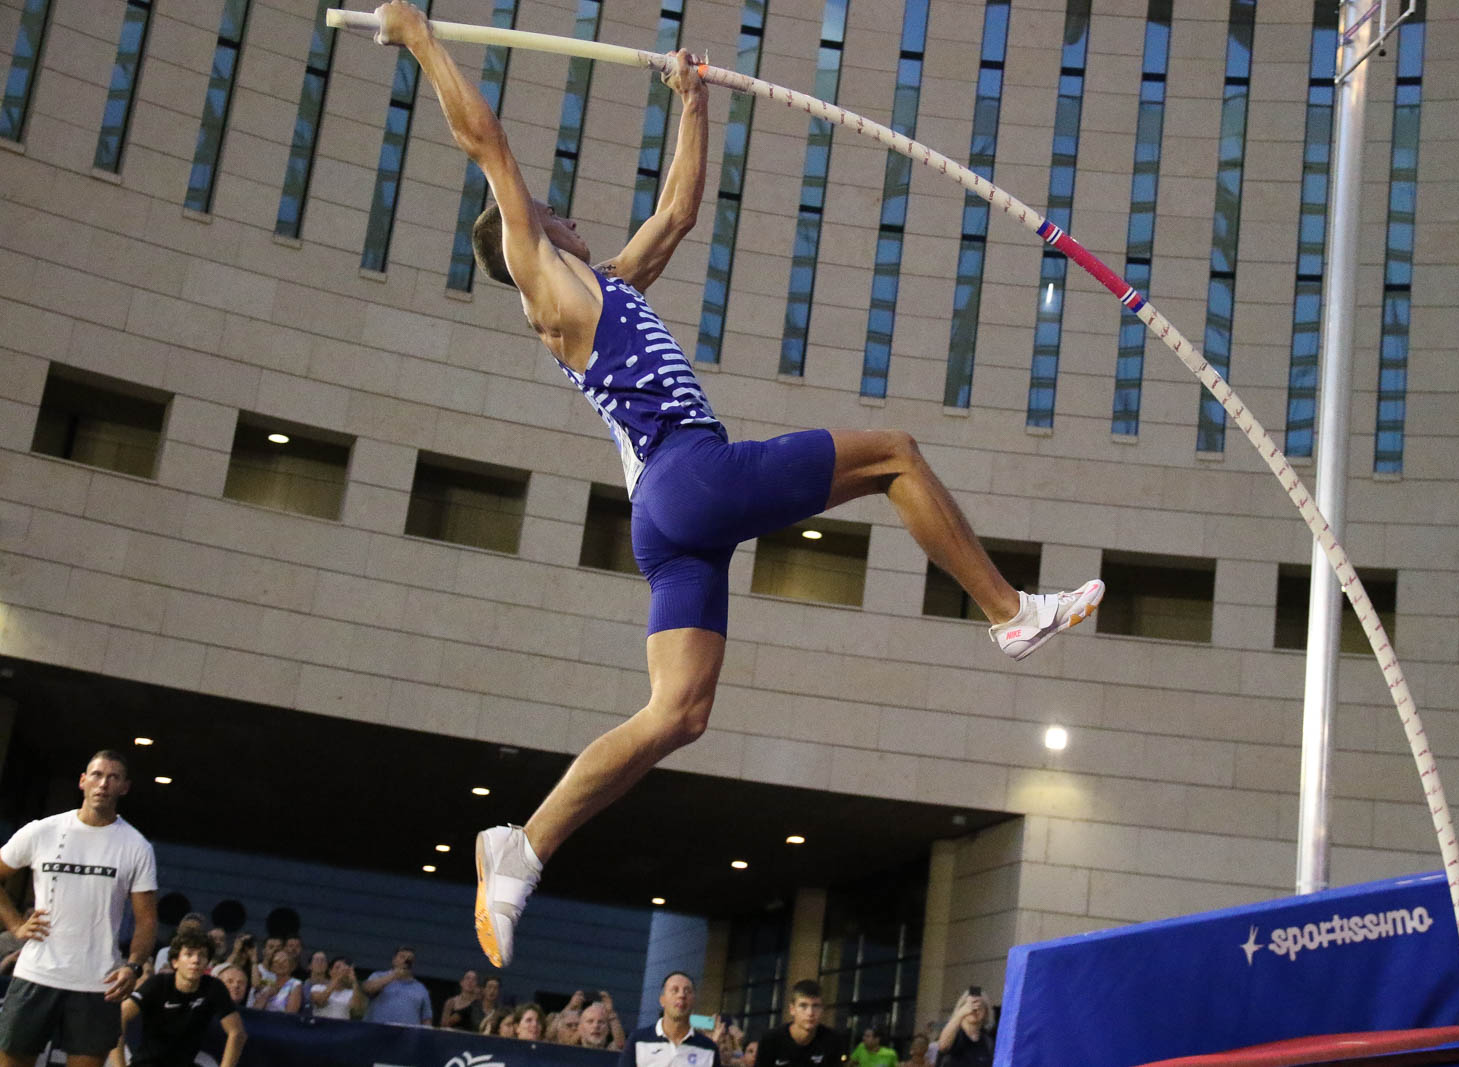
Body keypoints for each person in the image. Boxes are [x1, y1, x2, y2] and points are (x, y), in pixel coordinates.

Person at [366, 0, 1105, 970]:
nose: (564, 212)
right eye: (550, 210)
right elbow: (485, 143)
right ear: (524, 235)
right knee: (894, 453)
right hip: (690, 473)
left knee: (678, 713)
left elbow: (676, 214)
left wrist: (693, 101)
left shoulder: (608, 282)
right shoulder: (538, 273)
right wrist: (421, 37)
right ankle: (1009, 612)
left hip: (673, 518)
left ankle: (524, 847)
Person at [0, 749, 158, 1067]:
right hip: (36, 973)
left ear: (124, 787)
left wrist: (134, 966)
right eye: (97, 775)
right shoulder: (41, 830)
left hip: (98, 982)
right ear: (83, 781)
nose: (104, 784)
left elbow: (147, 920)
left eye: (113, 777)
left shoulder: (136, 846)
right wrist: (15, 924)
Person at [116, 929, 245, 1067]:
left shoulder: (214, 987)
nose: (196, 960)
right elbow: (118, 1017)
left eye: (202, 955)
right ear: (175, 962)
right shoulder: (158, 984)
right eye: (189, 954)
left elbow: (237, 1032)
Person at [620, 970, 718, 1067]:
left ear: (694, 1001)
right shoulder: (638, 1040)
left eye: (687, 991)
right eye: (675, 990)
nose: (681, 995)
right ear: (662, 1000)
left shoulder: (709, 1049)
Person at [754, 981, 847, 1067]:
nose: (810, 1013)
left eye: (816, 1006)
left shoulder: (832, 1041)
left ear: (822, 1009)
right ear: (792, 1009)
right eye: (803, 1006)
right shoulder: (771, 1040)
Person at [362, 946, 432, 1026]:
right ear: (394, 960)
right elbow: (367, 989)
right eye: (402, 957)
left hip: (407, 1033)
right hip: (377, 1030)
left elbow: (426, 1019)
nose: (406, 961)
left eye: (410, 959)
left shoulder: (421, 989)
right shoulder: (378, 976)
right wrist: (394, 975)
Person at [936, 992, 992, 1067]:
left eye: (979, 1006)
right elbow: (943, 1046)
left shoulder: (988, 1041)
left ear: (986, 1012)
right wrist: (960, 1014)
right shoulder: (953, 1033)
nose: (974, 1009)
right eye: (970, 1005)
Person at [250, 947, 301, 1014]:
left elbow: (290, 1014)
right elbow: (254, 1011)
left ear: (291, 965)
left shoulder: (295, 984)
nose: (280, 964)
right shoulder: (268, 982)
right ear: (271, 966)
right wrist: (265, 995)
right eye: (276, 961)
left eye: (284, 961)